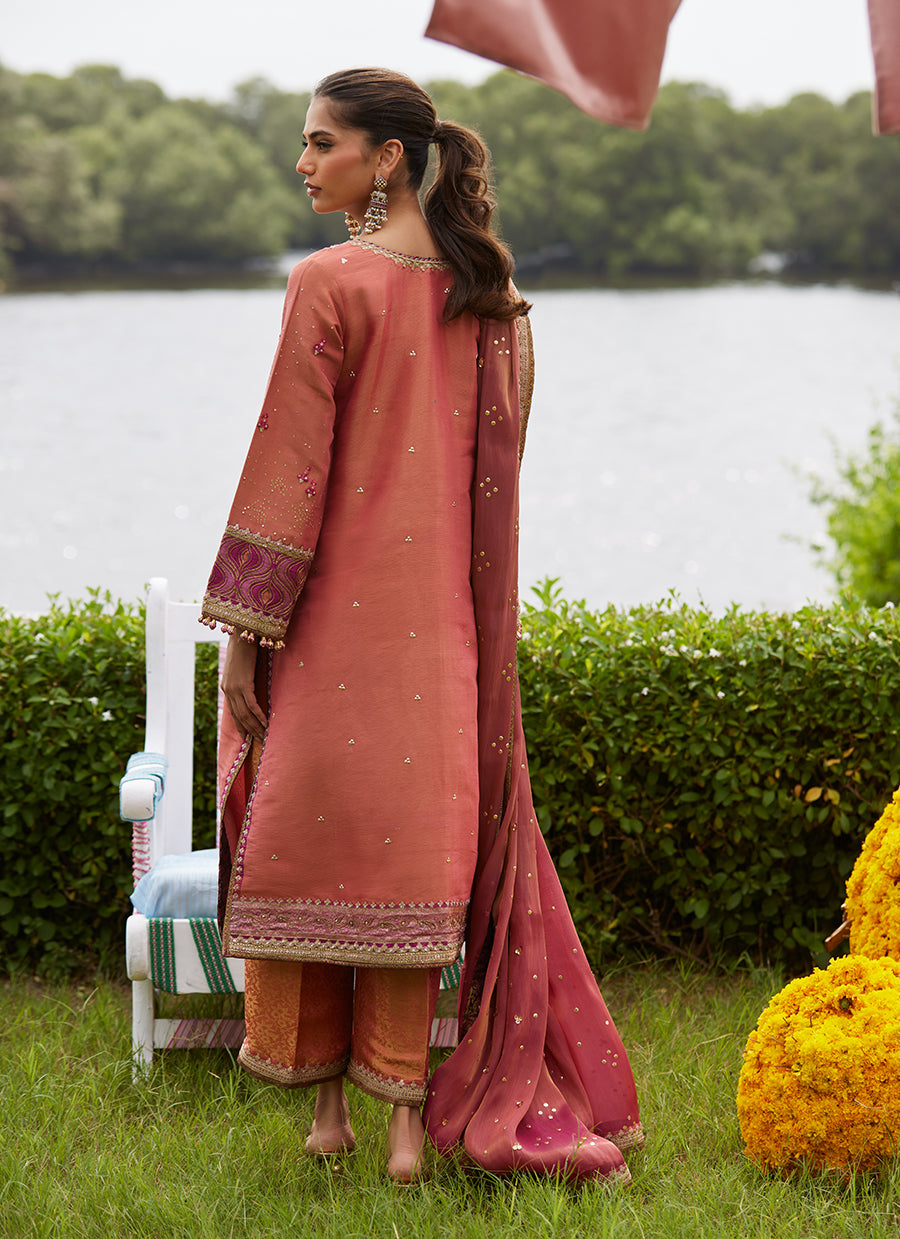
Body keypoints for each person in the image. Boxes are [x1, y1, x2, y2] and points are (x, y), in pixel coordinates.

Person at [201, 67, 641, 1185]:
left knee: (309, 848)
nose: (303, 161)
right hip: (445, 646)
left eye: (320, 142)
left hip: (330, 630)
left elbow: (287, 467)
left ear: (385, 157)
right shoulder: (489, 299)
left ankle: (332, 1121)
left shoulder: (328, 281)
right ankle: (400, 1131)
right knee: (410, 867)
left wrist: (246, 632)